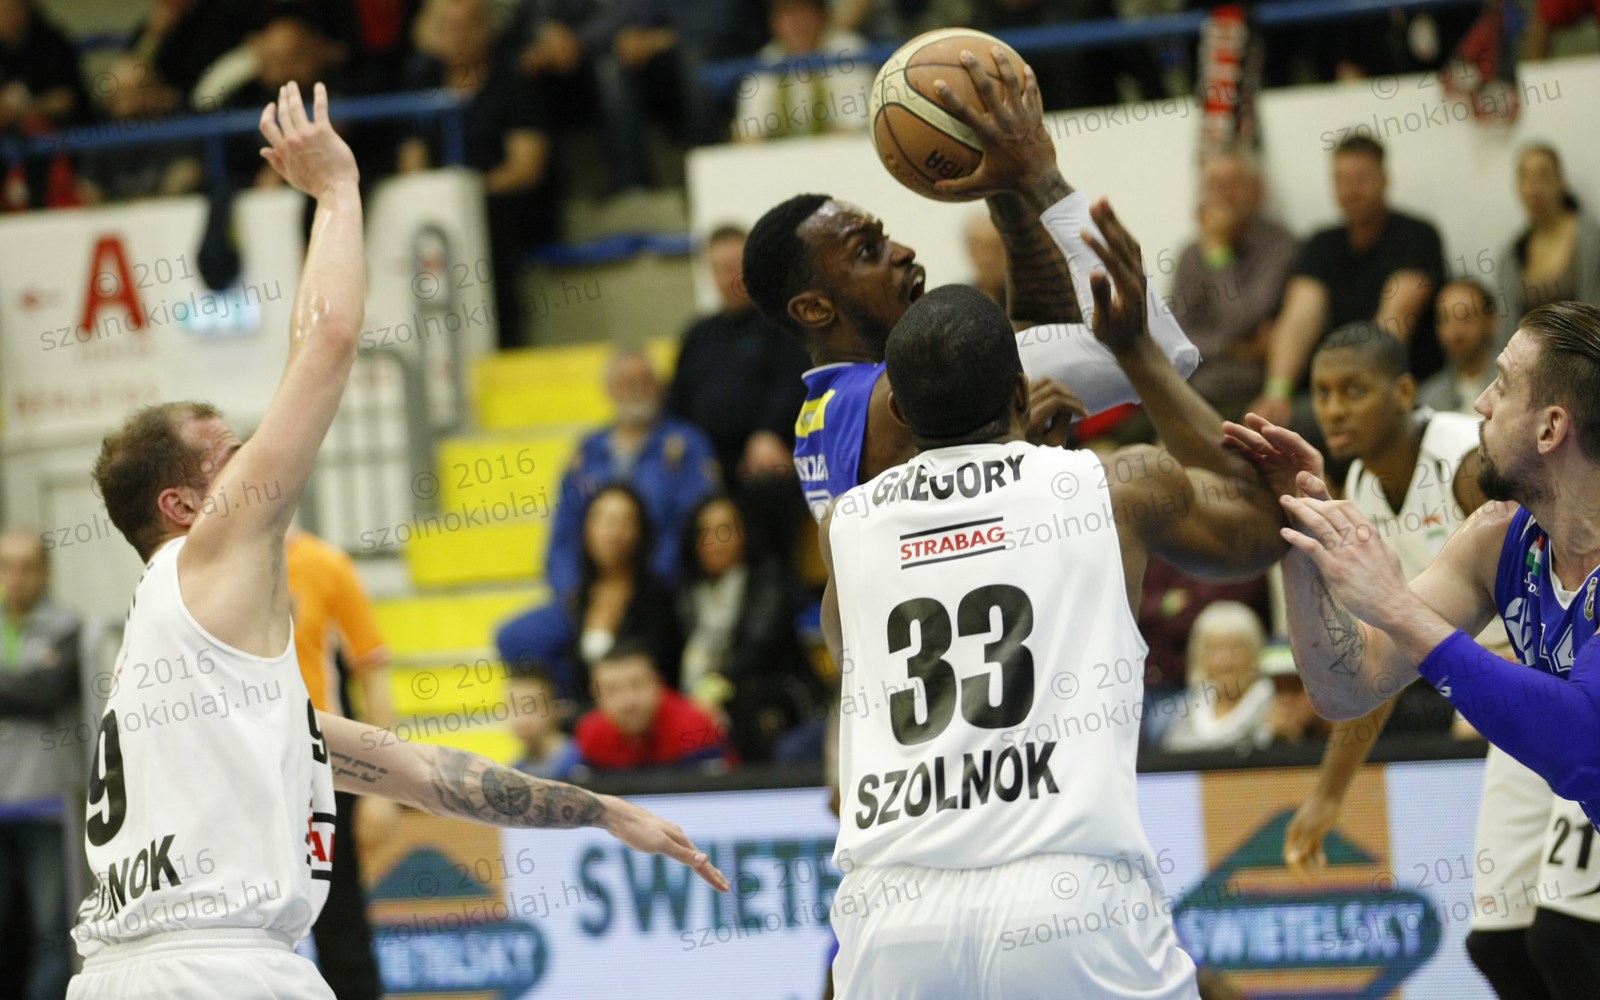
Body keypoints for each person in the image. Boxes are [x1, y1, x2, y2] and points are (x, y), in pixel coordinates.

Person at [66, 82, 726, 1000]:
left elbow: (427, 776)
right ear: (182, 505)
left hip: (128, 973)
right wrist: (339, 193)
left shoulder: (198, 675)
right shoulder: (204, 560)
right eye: (232, 454)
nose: (262, 456)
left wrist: (601, 811)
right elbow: (330, 342)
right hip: (215, 967)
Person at [821, 197, 1285, 995]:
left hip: (894, 914)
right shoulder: (1112, 486)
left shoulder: (846, 524)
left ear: (899, 407)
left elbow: (857, 662)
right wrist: (1136, 352)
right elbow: (1262, 520)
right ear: (1019, 391)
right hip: (1067, 894)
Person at [1227, 300, 1600, 1000]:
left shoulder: (1459, 468)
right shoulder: (1498, 536)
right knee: (1502, 944)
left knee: (1567, 940)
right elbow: (1350, 684)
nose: (1480, 402)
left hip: (1560, 732)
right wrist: (1299, 537)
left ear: (1552, 427)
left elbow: (1586, 741)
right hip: (1540, 725)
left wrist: (1396, 608)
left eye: (1502, 385)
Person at [742, 46, 1200, 523]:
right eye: (866, 251)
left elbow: (1038, 327)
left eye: (885, 237)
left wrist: (1003, 188)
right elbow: (1159, 356)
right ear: (814, 309)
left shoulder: (829, 414)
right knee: (1139, 479)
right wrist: (1041, 177)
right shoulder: (898, 395)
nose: (902, 251)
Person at [1251, 136, 1445, 433]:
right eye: (1341, 180)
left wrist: (1352, 393)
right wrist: (1277, 392)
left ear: (1384, 180)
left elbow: (1393, 324)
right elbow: (1299, 321)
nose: (1351, 190)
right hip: (1335, 388)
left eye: (1361, 179)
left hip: (1399, 384)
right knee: (1265, 425)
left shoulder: (1416, 236)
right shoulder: (1321, 244)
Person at [402, 0, 559, 347]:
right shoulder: (423, 84)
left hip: (502, 202)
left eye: (466, 26)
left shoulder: (513, 82)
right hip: (442, 202)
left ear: (486, 29)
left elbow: (527, 167)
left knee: (487, 219)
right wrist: (436, 197)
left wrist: (467, 194)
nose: (457, 36)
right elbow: (412, 158)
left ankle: (503, 337)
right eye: (447, 27)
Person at [284, 526, 395, 1000]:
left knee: (341, 931)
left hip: (319, 778)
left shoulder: (325, 565)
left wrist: (380, 788)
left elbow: (373, 673)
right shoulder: (212, 565)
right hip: (245, 781)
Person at [547, 347, 719, 594]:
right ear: (610, 390)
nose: (636, 390)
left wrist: (644, 591)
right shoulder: (587, 452)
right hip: (592, 592)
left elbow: (692, 528)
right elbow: (565, 532)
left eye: (644, 381)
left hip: (665, 591)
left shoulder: (687, 445)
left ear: (660, 388)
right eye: (626, 382)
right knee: (521, 623)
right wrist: (573, 591)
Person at [499, 483, 684, 703]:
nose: (613, 532)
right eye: (604, 520)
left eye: (624, 522)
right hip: (588, 716)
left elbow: (663, 676)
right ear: (587, 528)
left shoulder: (658, 598)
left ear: (640, 532)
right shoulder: (578, 596)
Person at [0, 529, 81, 1000]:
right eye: (6, 566)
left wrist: (26, 687)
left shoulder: (68, 627)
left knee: (52, 928)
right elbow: (29, 689)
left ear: (46, 571)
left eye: (26, 566)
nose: (16, 577)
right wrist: (23, 683)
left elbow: (46, 692)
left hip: (47, 805)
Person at [677, 495, 820, 761]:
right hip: (700, 699)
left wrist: (719, 682)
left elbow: (760, 643)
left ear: (744, 534)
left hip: (772, 695)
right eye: (705, 533)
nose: (716, 542)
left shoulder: (768, 579)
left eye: (725, 530)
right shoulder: (686, 592)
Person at [665, 224, 812, 483]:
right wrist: (680, 440)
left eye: (735, 266)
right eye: (720, 268)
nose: (729, 277)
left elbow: (793, 386)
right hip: (705, 459)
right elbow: (678, 398)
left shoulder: (783, 324)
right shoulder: (697, 334)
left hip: (768, 452)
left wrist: (769, 432)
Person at [1169, 146, 1299, 422]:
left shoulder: (1280, 246)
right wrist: (1233, 348)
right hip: (1193, 392)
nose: (1223, 195)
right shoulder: (1191, 255)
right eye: (1214, 185)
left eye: (1234, 184)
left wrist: (1218, 254)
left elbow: (1244, 319)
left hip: (1250, 396)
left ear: (1258, 191)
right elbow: (1176, 341)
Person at [1496, 145, 1600, 349]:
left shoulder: (1590, 240)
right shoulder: (1511, 255)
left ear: (1561, 181)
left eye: (1543, 175)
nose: (1535, 186)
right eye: (1526, 177)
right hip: (1530, 361)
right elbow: (1508, 329)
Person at [730, 0, 875, 142]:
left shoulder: (850, 52)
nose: (797, 23)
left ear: (821, 14)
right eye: (788, 14)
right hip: (784, 156)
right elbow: (747, 136)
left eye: (804, 12)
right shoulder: (765, 62)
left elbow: (854, 128)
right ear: (774, 22)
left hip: (841, 153)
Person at [573, 645, 730, 770]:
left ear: (658, 684)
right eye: (612, 690)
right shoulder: (590, 736)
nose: (628, 701)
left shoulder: (696, 728)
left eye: (637, 685)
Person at [1160, 601, 1273, 755]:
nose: (1225, 661)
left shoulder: (1270, 703)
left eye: (1235, 649)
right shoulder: (1191, 705)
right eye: (1214, 650)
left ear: (1254, 652)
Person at [1417, 279, 1500, 416]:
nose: (1455, 332)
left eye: (1466, 318)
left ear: (1491, 321)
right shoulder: (1429, 399)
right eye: (1445, 319)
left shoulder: (1514, 385)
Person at [508, 667, 580, 780]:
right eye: (514, 706)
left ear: (556, 707)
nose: (521, 719)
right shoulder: (513, 771)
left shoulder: (585, 759)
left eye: (532, 707)